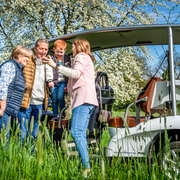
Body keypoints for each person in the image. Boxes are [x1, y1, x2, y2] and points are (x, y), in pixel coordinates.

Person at [43, 38, 98, 175]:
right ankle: (86, 167)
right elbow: (80, 77)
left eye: (72, 46)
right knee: (81, 134)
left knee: (76, 132)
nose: (71, 49)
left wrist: (55, 65)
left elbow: (76, 74)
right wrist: (69, 87)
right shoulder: (86, 58)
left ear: (78, 46)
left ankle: (86, 169)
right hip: (88, 100)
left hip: (83, 100)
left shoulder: (81, 56)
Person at [17, 38, 53, 143]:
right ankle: (22, 156)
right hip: (26, 103)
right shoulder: (27, 61)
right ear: (35, 49)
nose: (43, 52)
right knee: (23, 134)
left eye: (45, 49)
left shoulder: (48, 63)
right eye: (41, 48)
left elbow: (50, 77)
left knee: (34, 135)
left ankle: (31, 157)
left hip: (40, 104)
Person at [0, 45, 32, 138]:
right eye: (25, 56)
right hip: (5, 109)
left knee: (7, 138)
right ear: (17, 55)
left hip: (10, 110)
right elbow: (2, 85)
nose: (27, 59)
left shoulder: (18, 69)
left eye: (28, 57)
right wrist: (2, 107)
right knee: (4, 139)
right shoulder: (10, 66)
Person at [50, 40, 71, 120]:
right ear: (54, 49)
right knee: (54, 99)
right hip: (54, 81)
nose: (59, 54)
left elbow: (69, 71)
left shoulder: (67, 59)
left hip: (62, 82)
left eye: (61, 52)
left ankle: (62, 114)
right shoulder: (51, 58)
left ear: (64, 51)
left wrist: (68, 84)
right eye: (57, 51)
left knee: (60, 97)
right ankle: (55, 115)